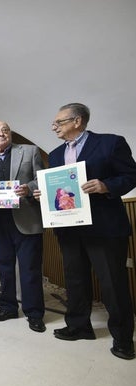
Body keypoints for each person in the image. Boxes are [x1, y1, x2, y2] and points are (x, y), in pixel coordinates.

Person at [36, 103, 136, 360]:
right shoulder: (56, 154)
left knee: (113, 283)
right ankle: (79, 326)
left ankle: (123, 338)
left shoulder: (111, 143)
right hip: (69, 228)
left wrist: (105, 186)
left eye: (59, 122)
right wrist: (43, 195)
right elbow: (58, 188)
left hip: (104, 227)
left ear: (77, 121)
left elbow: (130, 176)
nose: (54, 126)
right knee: (75, 279)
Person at [0, 121, 46, 333]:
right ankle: (8, 307)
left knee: (30, 269)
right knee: (3, 268)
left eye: (5, 130)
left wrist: (30, 188)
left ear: (10, 133)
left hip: (26, 219)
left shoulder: (30, 151)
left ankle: (34, 313)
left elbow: (41, 179)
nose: (1, 134)